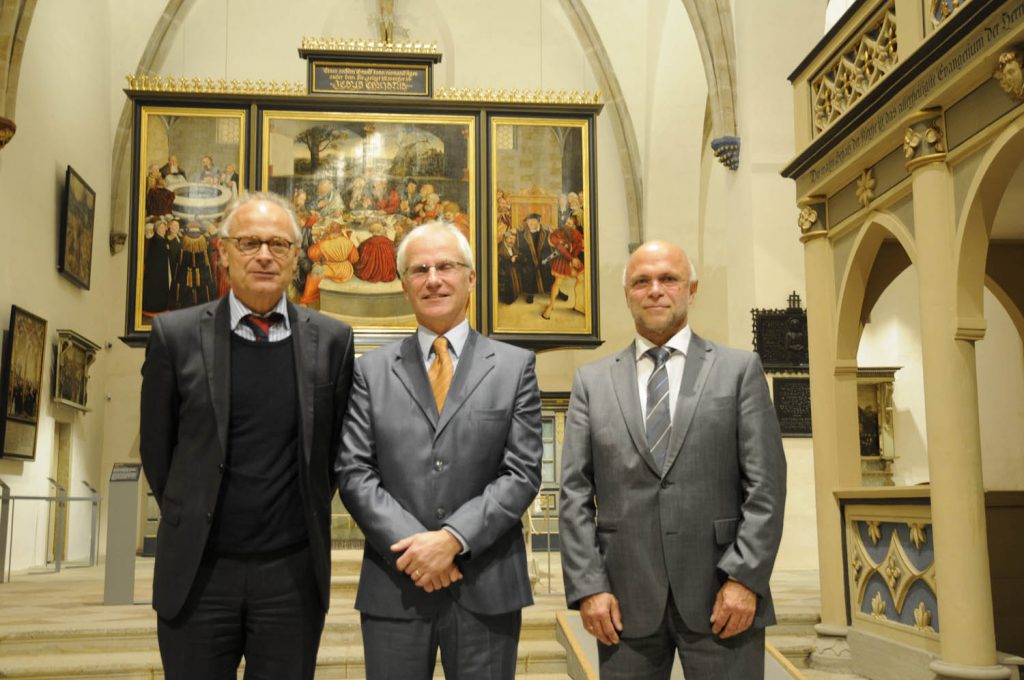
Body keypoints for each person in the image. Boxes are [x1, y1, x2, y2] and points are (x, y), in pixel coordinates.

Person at [140, 192, 355, 680]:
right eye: (249, 242)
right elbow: (158, 450)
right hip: (198, 571)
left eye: (279, 244)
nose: (264, 255)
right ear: (223, 252)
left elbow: (332, 454)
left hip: (292, 576)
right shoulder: (175, 336)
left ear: (296, 257)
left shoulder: (333, 341)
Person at [558, 241, 786, 680]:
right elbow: (574, 496)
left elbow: (767, 487)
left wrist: (745, 579)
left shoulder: (738, 371)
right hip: (623, 602)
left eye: (669, 279)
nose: (655, 290)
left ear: (691, 289)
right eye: (642, 281)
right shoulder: (592, 382)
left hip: (722, 594)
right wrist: (589, 588)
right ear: (627, 294)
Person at [336, 221, 543, 680]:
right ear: (404, 284)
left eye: (446, 266)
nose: (434, 278)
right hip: (397, 583)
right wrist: (418, 551)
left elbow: (523, 472)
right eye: (420, 269)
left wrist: (452, 540)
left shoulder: (514, 367)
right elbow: (354, 472)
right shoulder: (371, 373)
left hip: (486, 584)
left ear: (470, 279)